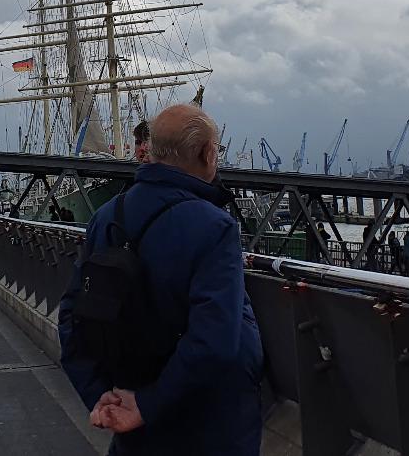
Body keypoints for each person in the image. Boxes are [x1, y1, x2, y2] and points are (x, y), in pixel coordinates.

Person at [58, 103, 262, 455]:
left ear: (150, 150)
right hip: (207, 423)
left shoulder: (106, 216)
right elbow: (215, 340)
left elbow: (71, 316)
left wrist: (100, 394)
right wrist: (149, 405)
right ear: (208, 153)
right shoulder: (214, 226)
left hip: (131, 411)